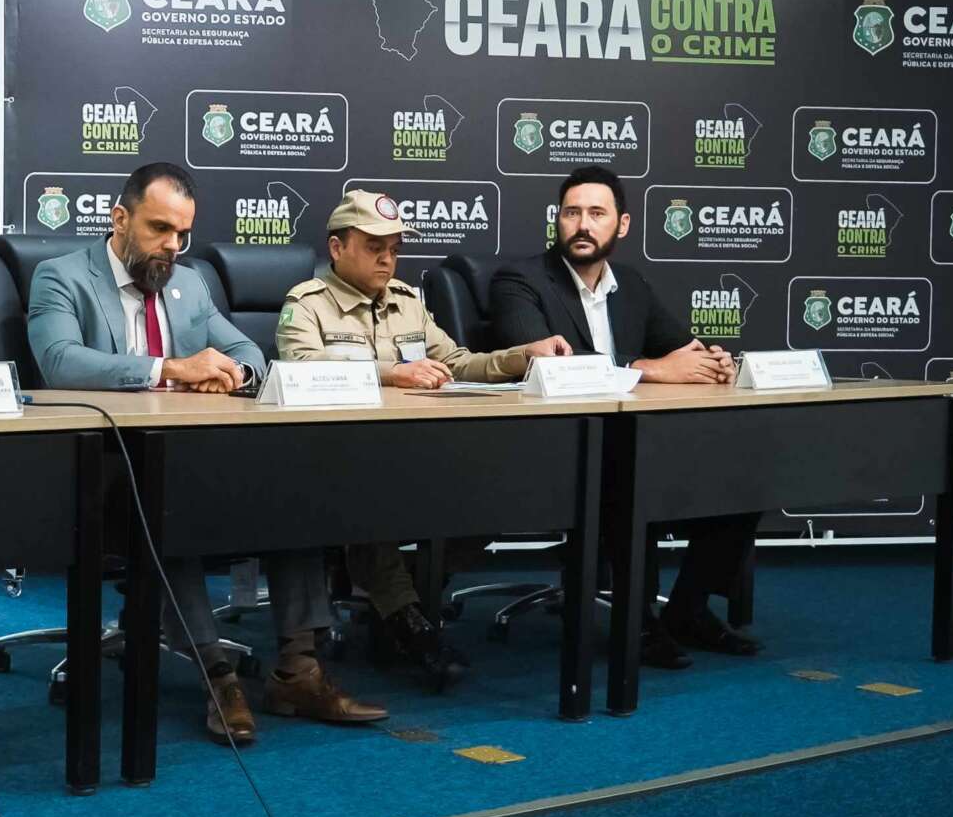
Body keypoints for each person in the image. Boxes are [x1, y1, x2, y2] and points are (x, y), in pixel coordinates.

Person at [26, 161, 386, 739]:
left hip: (190, 453)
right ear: (119, 219)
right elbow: (60, 362)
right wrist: (169, 368)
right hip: (107, 466)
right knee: (168, 503)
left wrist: (234, 374)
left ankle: (298, 669)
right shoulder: (61, 277)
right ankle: (219, 676)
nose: (173, 245)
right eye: (159, 229)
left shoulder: (188, 283)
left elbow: (250, 351)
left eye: (183, 234)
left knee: (293, 488)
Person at [274, 189, 569, 687]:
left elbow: (458, 364)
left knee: (492, 496)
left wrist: (522, 355)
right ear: (337, 247)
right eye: (373, 246)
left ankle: (393, 594)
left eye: (394, 248)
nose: (387, 259)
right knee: (372, 501)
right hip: (336, 456)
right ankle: (411, 625)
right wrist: (392, 372)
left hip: (414, 451)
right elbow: (299, 366)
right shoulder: (307, 303)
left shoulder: (408, 303)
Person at [487, 164, 764, 667]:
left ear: (623, 224)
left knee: (743, 473)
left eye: (597, 213)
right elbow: (546, 362)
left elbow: (682, 348)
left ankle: (688, 608)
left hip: (634, 438)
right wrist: (650, 369)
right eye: (571, 213)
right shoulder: (520, 281)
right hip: (554, 446)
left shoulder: (631, 284)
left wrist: (712, 361)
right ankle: (636, 620)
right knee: (626, 470)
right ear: (557, 220)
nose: (582, 225)